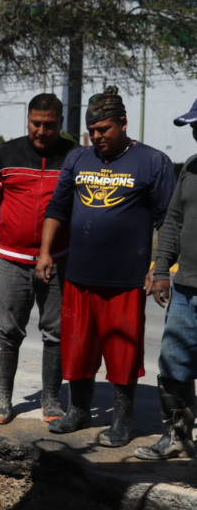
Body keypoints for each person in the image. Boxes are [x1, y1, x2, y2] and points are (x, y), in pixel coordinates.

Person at [37, 85, 176, 447]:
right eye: (92, 131)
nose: (97, 137)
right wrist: (46, 252)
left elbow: (167, 220)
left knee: (122, 352)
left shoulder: (152, 161)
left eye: (104, 130)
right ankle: (79, 410)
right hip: (79, 277)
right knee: (78, 347)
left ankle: (123, 421)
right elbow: (57, 208)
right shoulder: (78, 159)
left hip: (126, 280)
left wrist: (159, 268)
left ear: (123, 124)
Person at [0, 94, 77, 425]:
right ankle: (3, 400)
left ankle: (51, 399)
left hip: (59, 260)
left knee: (55, 331)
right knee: (7, 330)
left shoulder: (74, 157)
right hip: (13, 260)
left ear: (60, 123)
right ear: (27, 121)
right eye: (36, 124)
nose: (42, 131)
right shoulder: (7, 154)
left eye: (49, 125)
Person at [133, 99, 197, 460]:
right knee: (173, 365)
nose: (195, 132)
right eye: (193, 126)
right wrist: (161, 271)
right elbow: (173, 222)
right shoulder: (190, 167)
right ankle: (176, 437)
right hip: (186, 290)